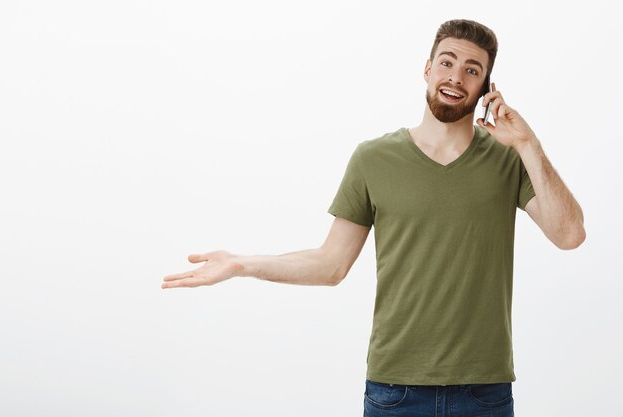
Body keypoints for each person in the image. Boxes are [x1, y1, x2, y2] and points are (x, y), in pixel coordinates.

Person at [161, 18, 585, 417]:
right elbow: (330, 265)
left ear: (487, 87)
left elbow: (569, 234)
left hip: (484, 390)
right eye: (447, 62)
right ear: (427, 69)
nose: (456, 77)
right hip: (395, 391)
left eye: (472, 70)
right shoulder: (373, 159)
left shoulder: (508, 161)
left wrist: (528, 145)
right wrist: (241, 264)